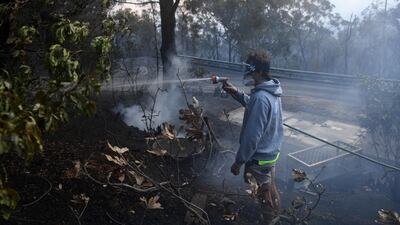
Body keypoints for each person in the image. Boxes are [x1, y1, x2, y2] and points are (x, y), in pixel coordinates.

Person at [222, 50, 283, 222]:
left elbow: (251, 137)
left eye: (250, 69)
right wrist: (235, 92)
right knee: (271, 188)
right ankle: (277, 218)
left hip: (259, 159)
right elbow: (254, 105)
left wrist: (238, 162)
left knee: (265, 199)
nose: (247, 72)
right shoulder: (271, 90)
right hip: (271, 153)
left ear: (258, 71)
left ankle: (270, 221)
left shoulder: (261, 98)